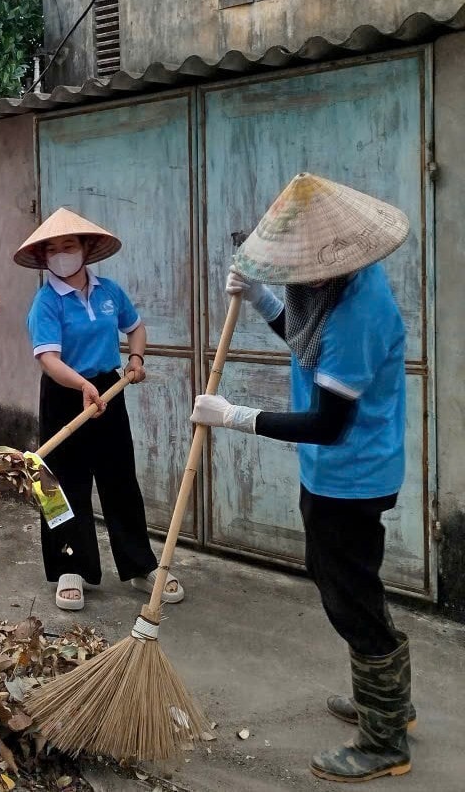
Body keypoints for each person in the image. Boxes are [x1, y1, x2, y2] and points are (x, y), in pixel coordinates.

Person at [190, 173, 413, 783]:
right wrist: (263, 300)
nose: (295, 278)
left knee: (349, 596)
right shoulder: (333, 289)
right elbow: (305, 343)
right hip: (336, 473)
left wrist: (236, 416)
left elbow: (329, 423)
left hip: (351, 472)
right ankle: (387, 697)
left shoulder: (358, 311)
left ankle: (385, 738)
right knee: (347, 580)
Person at [14, 207, 182, 611]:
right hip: (63, 392)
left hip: (109, 389)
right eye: (52, 250)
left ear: (86, 249)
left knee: (120, 479)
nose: (61, 254)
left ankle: (141, 566)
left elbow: (135, 326)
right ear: (44, 258)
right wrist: (82, 385)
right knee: (57, 484)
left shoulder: (109, 292)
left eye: (68, 246)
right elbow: (49, 359)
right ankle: (69, 569)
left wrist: (136, 359)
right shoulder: (46, 302)